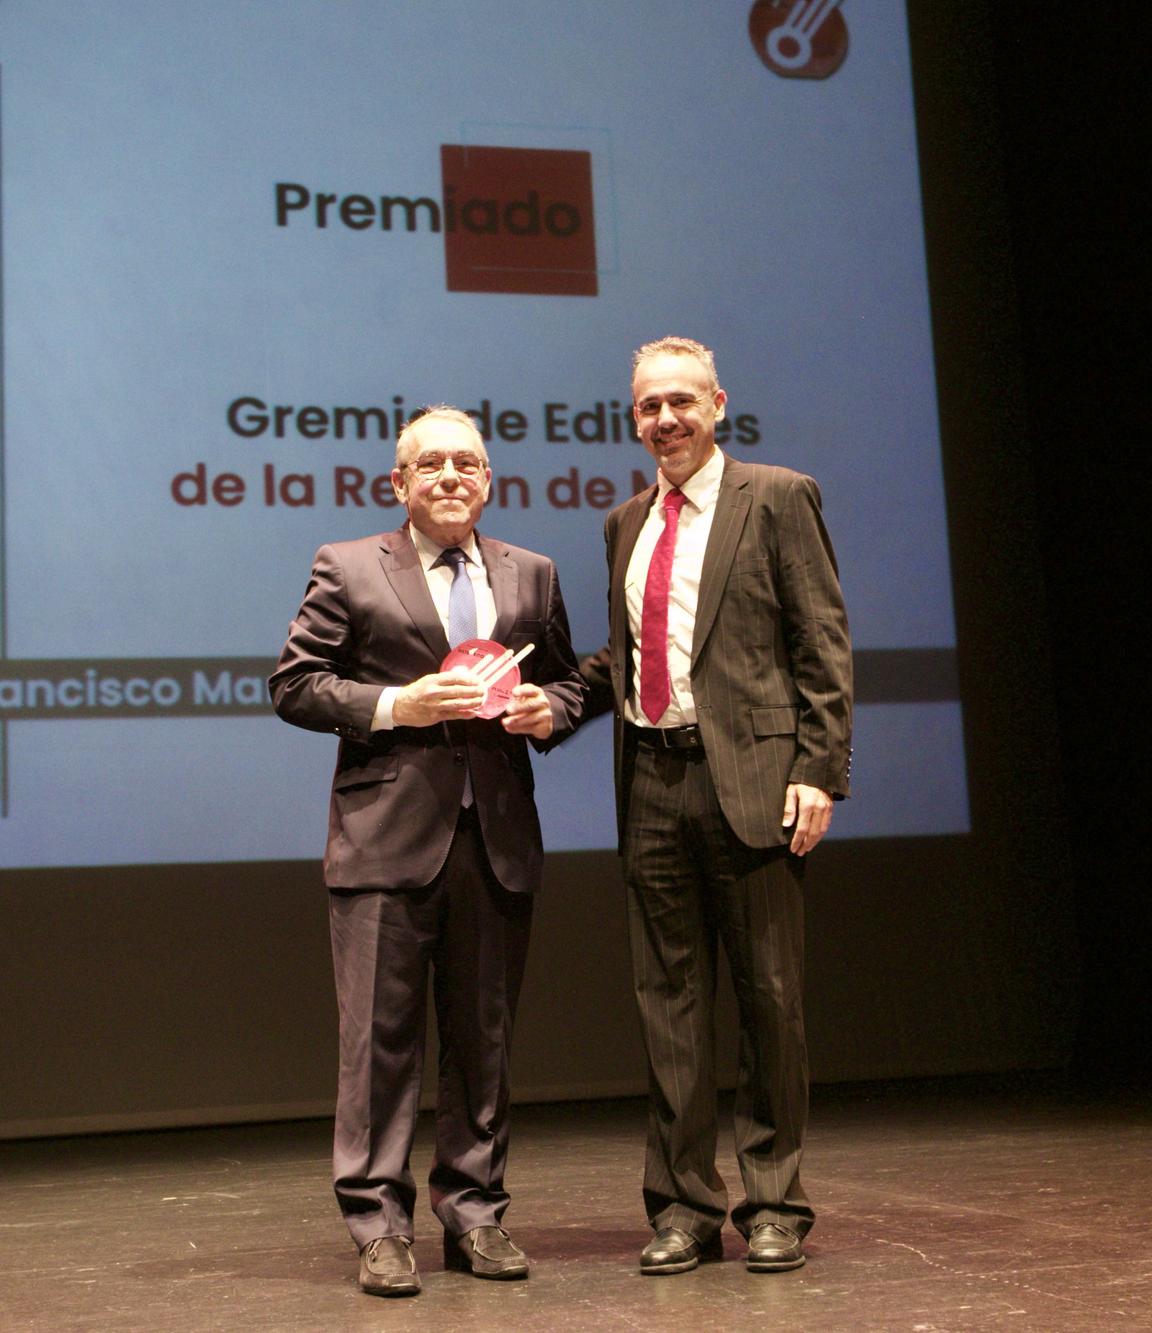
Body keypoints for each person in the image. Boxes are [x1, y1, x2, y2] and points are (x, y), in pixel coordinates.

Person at [271, 406, 583, 1297]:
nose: (452, 476)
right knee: (379, 1043)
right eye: (432, 463)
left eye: (469, 463)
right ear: (397, 483)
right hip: (385, 840)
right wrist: (394, 705)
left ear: (489, 481)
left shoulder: (533, 572)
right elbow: (294, 684)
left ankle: (476, 1214)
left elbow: (563, 680)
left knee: (483, 1039)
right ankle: (378, 1224)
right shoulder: (349, 566)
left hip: (496, 839)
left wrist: (548, 712)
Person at [578, 336, 852, 1275]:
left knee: (771, 999)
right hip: (651, 781)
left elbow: (821, 639)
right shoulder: (625, 522)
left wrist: (819, 767)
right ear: (635, 416)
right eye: (649, 406)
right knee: (670, 1008)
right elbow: (628, 657)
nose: (666, 420)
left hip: (755, 785)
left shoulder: (776, 497)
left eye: (682, 402)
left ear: (718, 403)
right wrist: (553, 704)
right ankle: (685, 1207)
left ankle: (773, 1201)